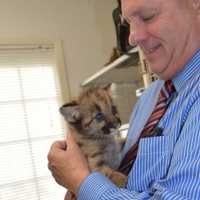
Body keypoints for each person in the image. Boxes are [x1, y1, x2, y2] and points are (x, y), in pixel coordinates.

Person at [47, 0, 200, 199]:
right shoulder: (149, 97)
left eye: (148, 16)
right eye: (128, 23)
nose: (132, 38)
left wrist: (80, 181)